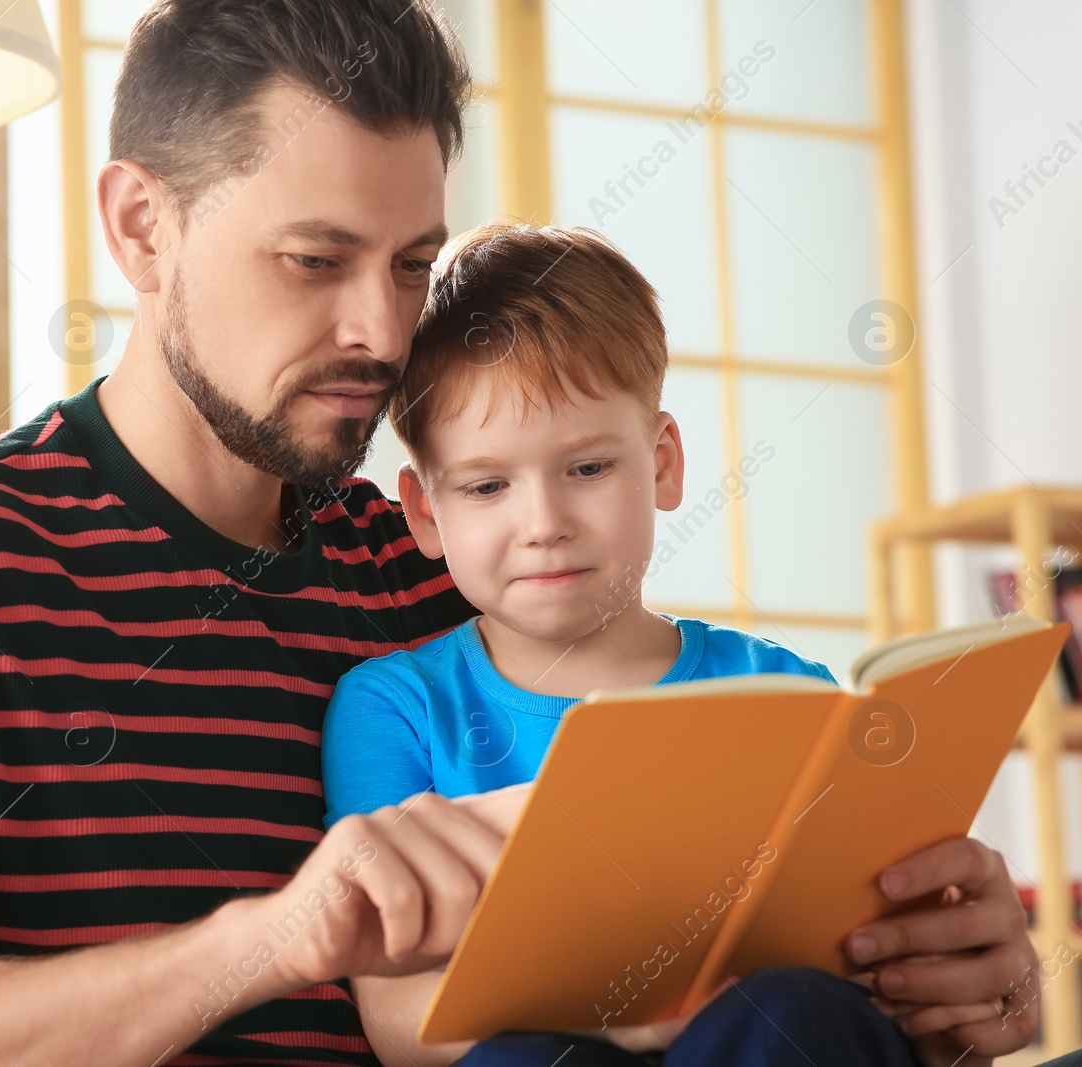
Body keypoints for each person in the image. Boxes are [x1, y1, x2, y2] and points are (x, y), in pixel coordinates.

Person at [0, 3, 1047, 1066]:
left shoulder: (438, 562)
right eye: (315, 260)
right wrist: (266, 942)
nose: (385, 333)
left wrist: (939, 962)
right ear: (140, 224)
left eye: (412, 263)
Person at [320, 221, 944, 1065]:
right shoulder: (396, 708)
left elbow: (865, 953)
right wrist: (617, 1009)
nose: (543, 525)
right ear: (426, 511)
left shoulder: (781, 688)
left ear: (661, 464)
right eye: (488, 484)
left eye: (587, 469)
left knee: (792, 1007)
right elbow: (398, 1021)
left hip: (761, 1040)